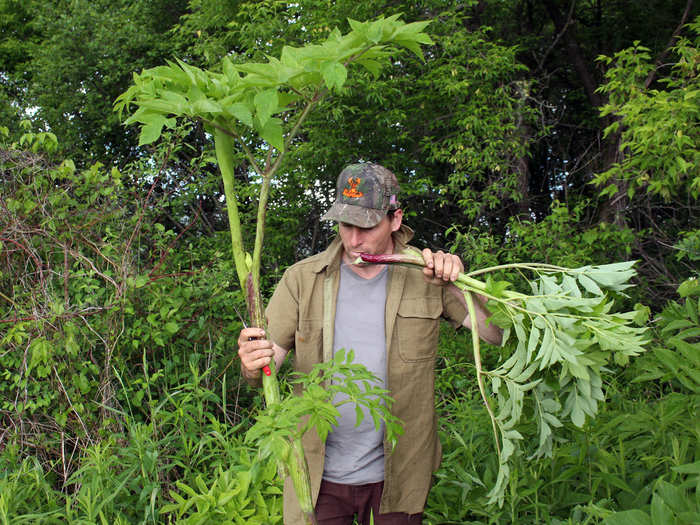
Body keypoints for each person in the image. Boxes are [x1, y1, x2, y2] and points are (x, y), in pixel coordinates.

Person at [238, 163, 502, 525]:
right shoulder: (302, 279)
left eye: (365, 226)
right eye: (345, 225)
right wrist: (252, 362)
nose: (353, 240)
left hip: (400, 476)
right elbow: (267, 366)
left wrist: (455, 283)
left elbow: (496, 334)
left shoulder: (425, 276)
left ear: (395, 219)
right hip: (318, 477)